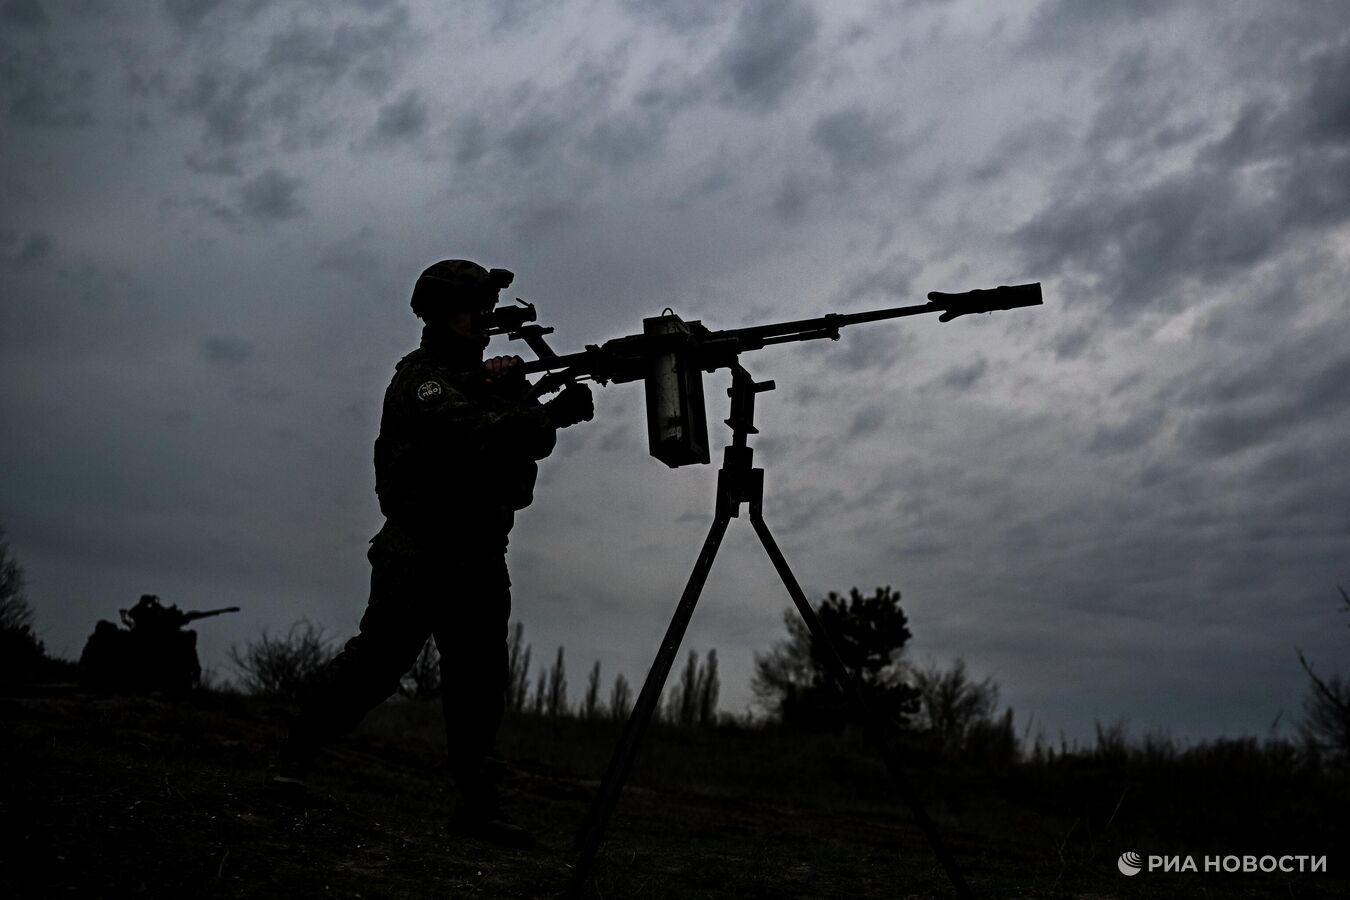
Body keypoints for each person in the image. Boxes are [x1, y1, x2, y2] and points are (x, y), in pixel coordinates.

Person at [269, 259, 594, 846]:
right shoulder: (423, 381)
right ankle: (293, 753)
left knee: (479, 682)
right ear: (441, 314)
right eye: (473, 308)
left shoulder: (485, 379)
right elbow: (476, 436)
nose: (484, 318)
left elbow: (524, 449)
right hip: (419, 552)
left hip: (479, 553)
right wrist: (545, 412)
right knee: (378, 664)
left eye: (487, 308)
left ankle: (476, 808)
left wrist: (519, 395)